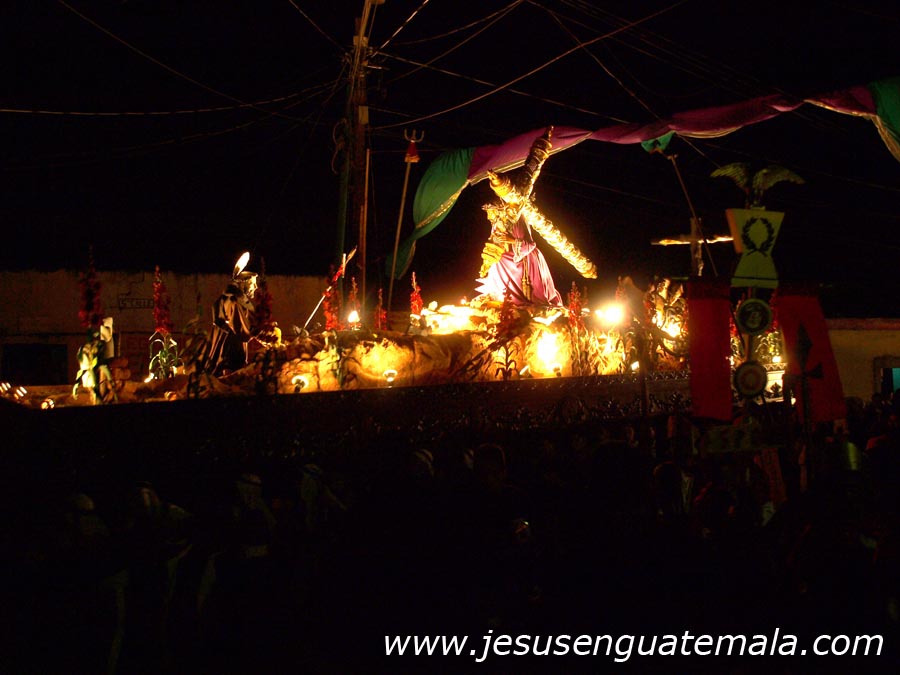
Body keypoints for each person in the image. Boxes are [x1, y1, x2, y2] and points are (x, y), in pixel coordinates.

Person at [206, 255, 257, 376]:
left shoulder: (229, 298)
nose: (256, 287)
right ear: (243, 284)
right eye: (253, 284)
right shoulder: (234, 301)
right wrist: (259, 332)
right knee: (230, 379)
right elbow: (242, 330)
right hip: (231, 352)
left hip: (228, 349)